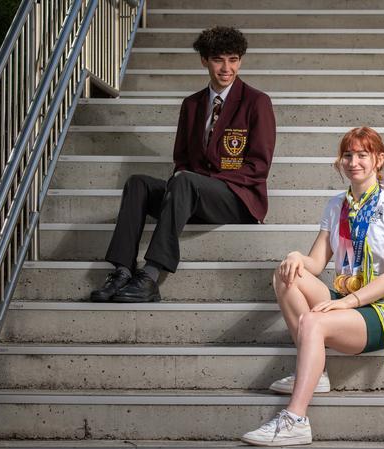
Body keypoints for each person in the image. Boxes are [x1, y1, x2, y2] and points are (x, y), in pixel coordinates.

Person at [241, 127, 384, 446]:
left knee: (313, 320)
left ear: (379, 159)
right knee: (287, 274)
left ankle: (295, 420)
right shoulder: (337, 205)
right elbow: (316, 262)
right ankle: (316, 372)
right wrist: (296, 257)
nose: (354, 162)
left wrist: (346, 303)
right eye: (348, 155)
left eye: (363, 154)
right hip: (347, 294)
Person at [90, 26, 276, 302]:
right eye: (218, 59)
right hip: (192, 194)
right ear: (204, 60)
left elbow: (259, 166)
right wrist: (187, 182)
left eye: (233, 59)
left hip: (238, 198)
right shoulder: (192, 105)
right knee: (138, 183)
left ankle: (151, 276)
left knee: (186, 181)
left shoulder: (256, 102)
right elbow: (182, 159)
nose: (226, 68)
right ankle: (122, 271)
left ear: (241, 60)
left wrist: (203, 183)